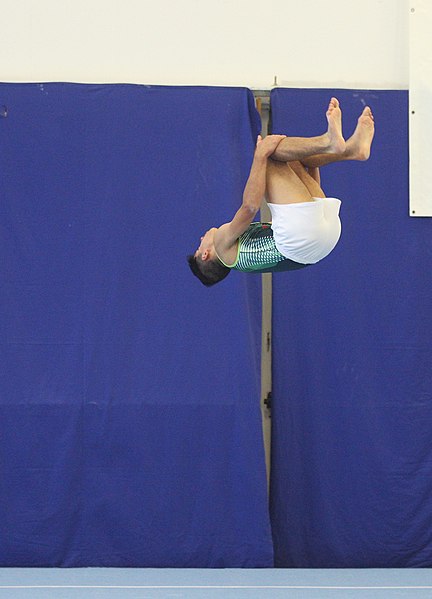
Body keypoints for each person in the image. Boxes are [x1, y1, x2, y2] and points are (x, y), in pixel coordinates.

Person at [187, 98, 375, 286]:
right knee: (270, 153)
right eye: (199, 246)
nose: (202, 238)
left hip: (324, 242)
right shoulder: (221, 244)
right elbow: (250, 208)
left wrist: (309, 176)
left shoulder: (243, 256)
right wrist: (259, 155)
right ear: (205, 255)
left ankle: (351, 150)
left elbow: (305, 207)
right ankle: (330, 142)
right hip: (302, 238)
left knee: (294, 157)